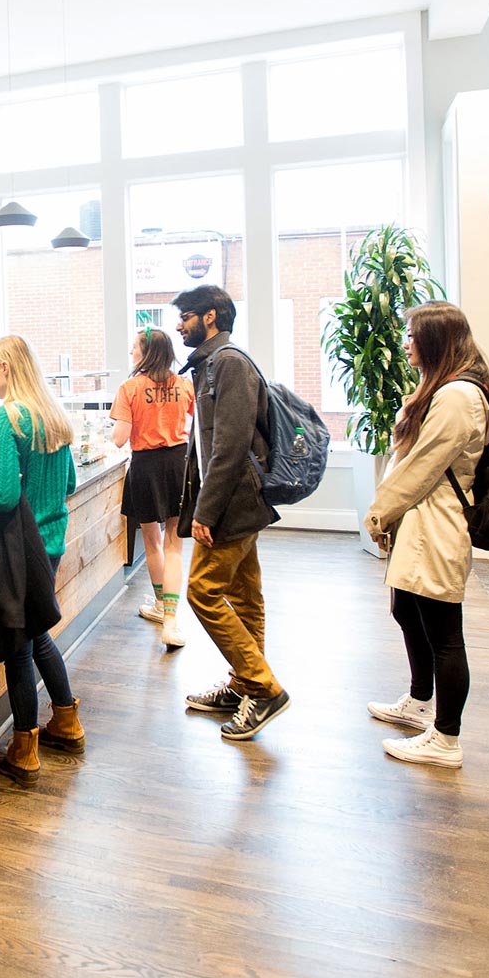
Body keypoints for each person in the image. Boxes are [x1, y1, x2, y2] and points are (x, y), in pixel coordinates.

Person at [364, 301, 489, 769]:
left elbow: (423, 466)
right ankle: (421, 703)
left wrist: (380, 512)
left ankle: (446, 738)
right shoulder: (439, 387)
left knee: (444, 634)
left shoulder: (458, 395)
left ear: (437, 341)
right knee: (407, 611)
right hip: (418, 521)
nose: (406, 344)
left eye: (414, 335)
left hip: (436, 525)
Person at [174, 285, 291, 742]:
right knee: (244, 596)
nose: (180, 323)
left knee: (202, 592)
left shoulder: (229, 363)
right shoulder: (210, 364)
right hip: (236, 501)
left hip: (232, 503)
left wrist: (206, 511)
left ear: (210, 317)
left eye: (186, 315)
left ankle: (262, 688)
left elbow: (229, 447)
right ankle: (246, 683)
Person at [0, 335, 85, 785]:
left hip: (22, 547)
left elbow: (3, 496)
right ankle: (66, 722)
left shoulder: (6, 418)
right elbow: (69, 483)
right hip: (53, 541)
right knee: (39, 633)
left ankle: (24, 750)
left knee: (18, 648)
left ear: (6, 367)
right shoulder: (54, 415)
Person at [111, 326, 194, 649]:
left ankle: (161, 606)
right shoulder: (184, 385)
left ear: (146, 353)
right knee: (174, 542)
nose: (131, 352)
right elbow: (197, 423)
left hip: (145, 466)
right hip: (178, 463)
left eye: (134, 347)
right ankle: (170, 618)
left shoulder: (129, 388)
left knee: (153, 542)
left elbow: (119, 439)